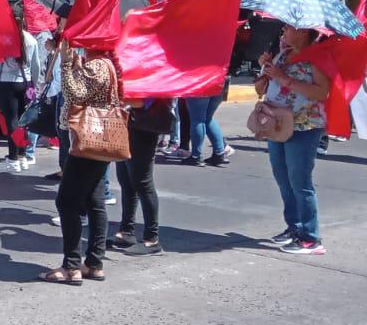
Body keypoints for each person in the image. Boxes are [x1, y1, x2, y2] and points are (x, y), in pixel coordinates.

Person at [43, 47, 121, 285]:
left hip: (88, 138)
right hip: (99, 138)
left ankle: (71, 266)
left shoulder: (97, 65)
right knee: (94, 201)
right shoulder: (102, 63)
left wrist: (66, 64)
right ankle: (94, 263)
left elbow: (75, 94)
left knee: (67, 202)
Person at [256, 25, 332, 256]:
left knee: (300, 181)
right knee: (283, 178)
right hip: (277, 124)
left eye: (288, 28)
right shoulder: (283, 54)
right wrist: (265, 69)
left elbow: (322, 93)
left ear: (303, 31)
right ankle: (295, 226)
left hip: (305, 126)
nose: (284, 32)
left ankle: (311, 238)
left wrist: (284, 78)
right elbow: (260, 88)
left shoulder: (317, 57)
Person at [0, 4, 45, 172]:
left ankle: (12, 159)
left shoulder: (4, 39)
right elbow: (36, 66)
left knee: (11, 122)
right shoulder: (31, 39)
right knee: (23, 122)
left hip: (8, 84)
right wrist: (34, 86)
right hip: (26, 84)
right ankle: (22, 156)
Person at [114, 96, 173, 255]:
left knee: (142, 182)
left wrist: (117, 99)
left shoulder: (153, 82)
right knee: (126, 180)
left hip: (144, 127)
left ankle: (151, 239)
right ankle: (126, 232)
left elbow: (143, 101)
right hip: (127, 124)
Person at [183, 81, 234, 166]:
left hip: (199, 83)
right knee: (208, 118)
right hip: (219, 83)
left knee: (197, 120)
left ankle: (196, 156)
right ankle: (219, 153)